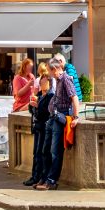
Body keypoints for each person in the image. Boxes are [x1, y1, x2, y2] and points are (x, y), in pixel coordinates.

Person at [36, 60, 78, 190]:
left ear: (54, 69)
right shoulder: (58, 80)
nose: (48, 73)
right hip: (52, 118)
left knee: (55, 152)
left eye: (49, 70)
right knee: (45, 150)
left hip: (60, 118)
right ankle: (44, 178)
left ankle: (52, 181)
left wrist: (76, 117)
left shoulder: (65, 79)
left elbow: (74, 98)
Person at [24, 74, 54, 187]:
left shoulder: (50, 96)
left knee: (41, 153)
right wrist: (32, 106)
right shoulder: (40, 95)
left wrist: (36, 106)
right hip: (37, 127)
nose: (42, 84)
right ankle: (35, 176)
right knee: (36, 153)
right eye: (41, 83)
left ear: (49, 83)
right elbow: (32, 110)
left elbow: (47, 112)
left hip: (44, 127)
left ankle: (40, 177)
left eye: (44, 82)